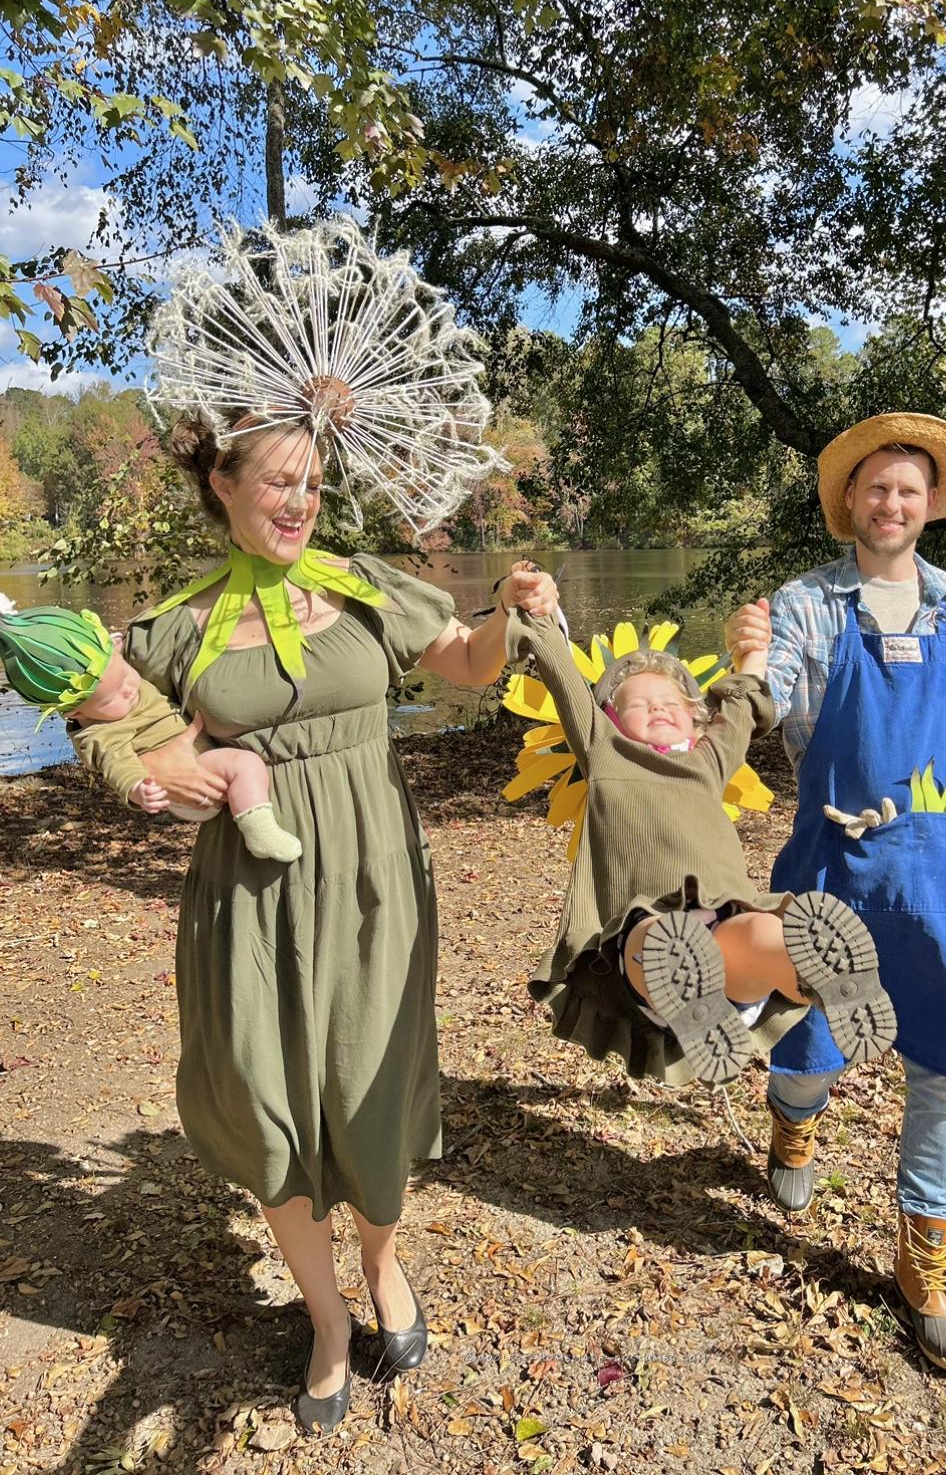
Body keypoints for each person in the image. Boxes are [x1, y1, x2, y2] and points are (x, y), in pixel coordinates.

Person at [123, 413, 559, 1434]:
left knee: (367, 1082)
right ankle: (325, 1321)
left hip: (373, 877)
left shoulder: (362, 584)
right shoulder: (179, 627)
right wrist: (163, 778)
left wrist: (508, 610)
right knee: (274, 1101)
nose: (299, 501)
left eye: (312, 483)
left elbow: (465, 661)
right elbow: (136, 743)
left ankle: (382, 1263)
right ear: (221, 485)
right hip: (252, 896)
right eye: (277, 481)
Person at [725, 412, 946, 1374]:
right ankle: (793, 1124)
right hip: (833, 864)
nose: (892, 503)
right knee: (809, 1045)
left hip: (945, 866)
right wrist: (745, 667)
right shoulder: (806, 603)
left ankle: (926, 1257)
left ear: (930, 505)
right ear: (850, 502)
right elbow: (773, 696)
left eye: (909, 489)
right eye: (877, 488)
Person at [503, 603, 897, 1089]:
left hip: (724, 919)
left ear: (694, 723)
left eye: (671, 703)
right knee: (658, 940)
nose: (659, 708)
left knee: (763, 934)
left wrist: (752, 657)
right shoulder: (605, 753)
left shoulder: (706, 762)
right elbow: (563, 677)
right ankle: (694, 999)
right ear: (607, 717)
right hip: (644, 935)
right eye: (640, 703)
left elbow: (740, 709)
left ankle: (825, 977)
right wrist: (539, 615)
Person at [0, 604, 300, 862]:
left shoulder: (115, 680)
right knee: (245, 764)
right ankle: (259, 830)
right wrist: (138, 788)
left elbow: (124, 662)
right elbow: (117, 764)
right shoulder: (101, 733)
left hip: (198, 755)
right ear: (76, 712)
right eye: (113, 694)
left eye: (126, 673)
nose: (130, 687)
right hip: (188, 779)